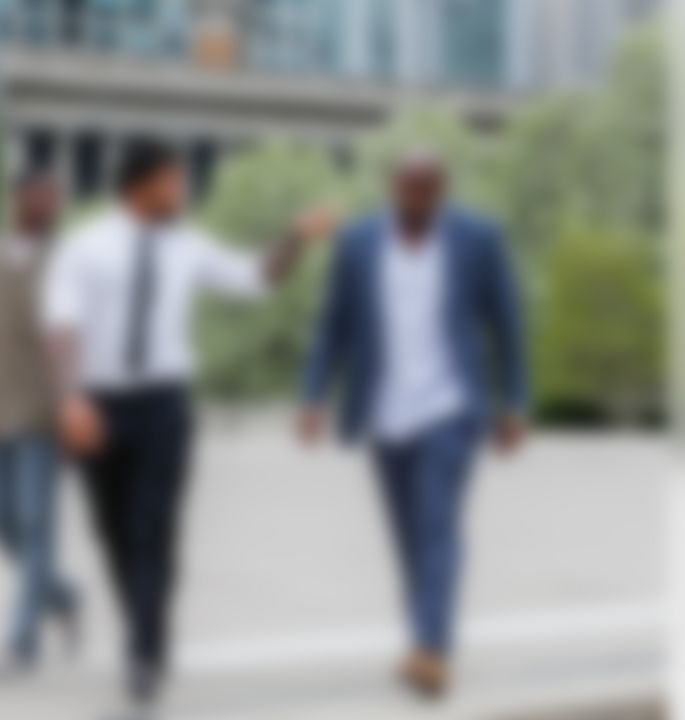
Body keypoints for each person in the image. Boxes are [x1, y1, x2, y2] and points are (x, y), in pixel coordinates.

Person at [42, 139, 334, 713]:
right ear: (139, 185)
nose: (181, 191)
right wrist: (70, 399)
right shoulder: (84, 247)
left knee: (155, 529)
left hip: (163, 406)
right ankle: (144, 629)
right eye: (172, 181)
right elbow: (61, 326)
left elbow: (258, 278)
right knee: (112, 530)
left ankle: (144, 652)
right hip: (98, 403)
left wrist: (296, 237)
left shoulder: (188, 246)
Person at [297, 150, 529, 699]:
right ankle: (422, 639)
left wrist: (513, 402)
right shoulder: (356, 243)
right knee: (407, 535)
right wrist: (313, 396)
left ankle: (431, 650)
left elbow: (508, 324)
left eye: (428, 191)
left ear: (442, 190)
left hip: (450, 409)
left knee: (437, 526)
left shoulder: (479, 238)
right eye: (408, 190)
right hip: (385, 414)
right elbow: (335, 325)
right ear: (390, 187)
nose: (417, 201)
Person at [0, 170, 81, 682]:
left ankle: (20, 643)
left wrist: (77, 408)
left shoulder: (71, 262)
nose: (48, 204)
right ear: (17, 199)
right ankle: (63, 595)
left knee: (35, 524)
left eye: (55, 196)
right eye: (39, 194)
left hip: (46, 416)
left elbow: (82, 340)